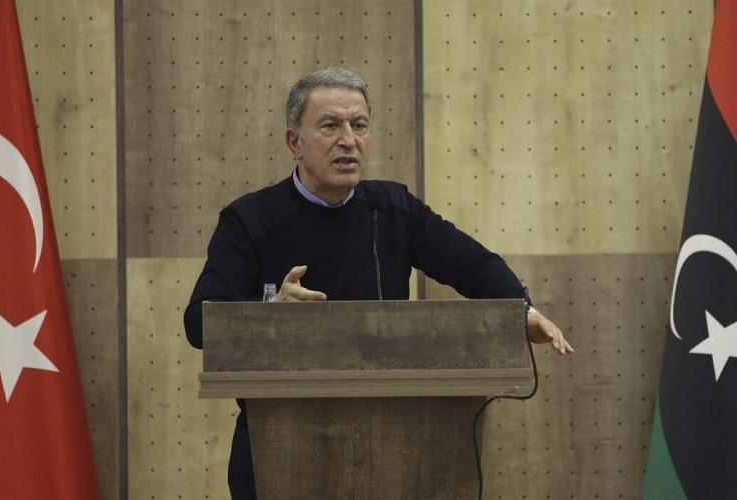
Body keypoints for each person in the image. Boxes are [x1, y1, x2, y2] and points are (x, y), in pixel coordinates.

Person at [184, 67, 574, 500]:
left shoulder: (392, 208)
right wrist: (271, 313)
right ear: (295, 142)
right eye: (330, 126)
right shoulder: (249, 220)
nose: (348, 140)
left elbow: (473, 263)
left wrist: (522, 310)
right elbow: (200, 323)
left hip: (390, 449)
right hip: (277, 449)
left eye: (359, 125)